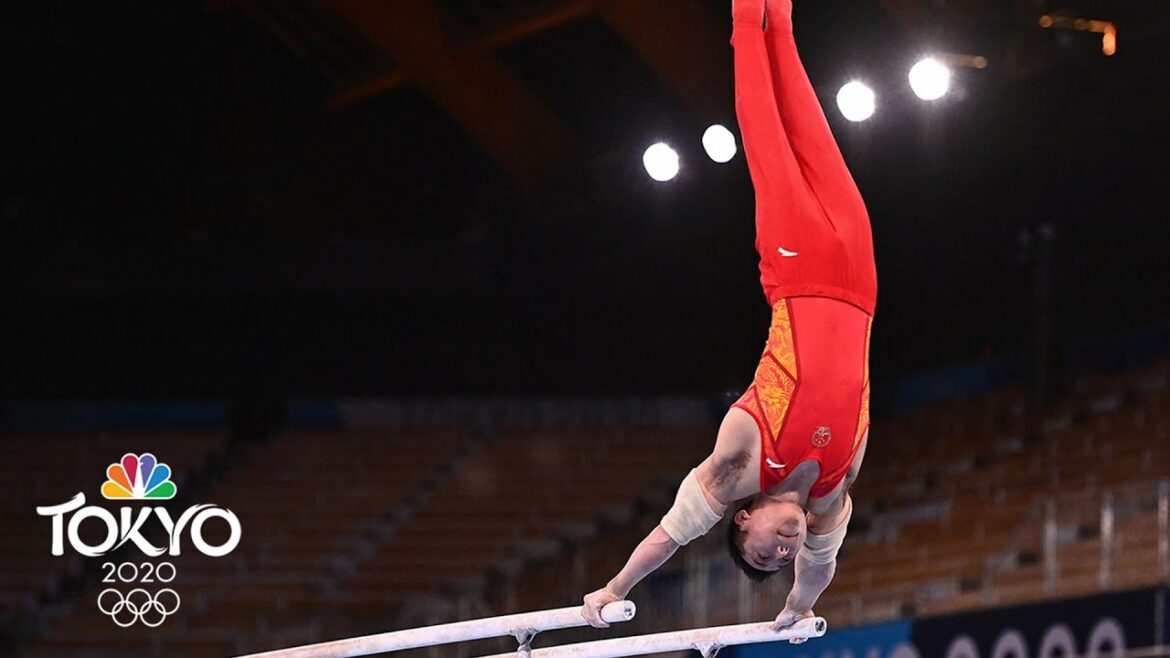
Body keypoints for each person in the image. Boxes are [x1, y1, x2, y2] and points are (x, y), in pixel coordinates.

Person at [582, 0, 877, 637]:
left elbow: (673, 532)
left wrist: (614, 588)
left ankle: (747, 17)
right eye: (783, 560)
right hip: (860, 279)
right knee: (811, 125)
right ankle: (783, 18)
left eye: (764, 553)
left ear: (742, 518)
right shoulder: (832, 493)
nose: (784, 551)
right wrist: (796, 607)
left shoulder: (741, 463)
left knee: (768, 136)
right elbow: (820, 568)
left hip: (797, 272)